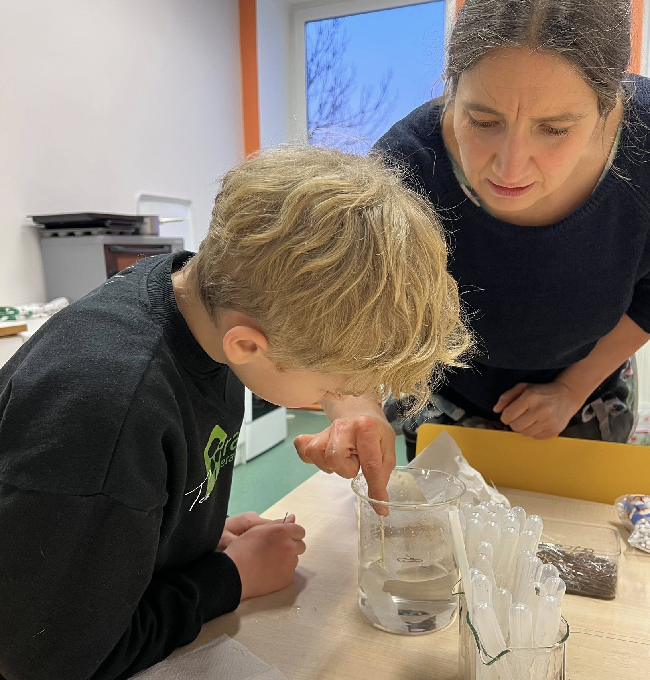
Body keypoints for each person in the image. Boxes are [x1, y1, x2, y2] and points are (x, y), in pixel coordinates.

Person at [0, 146, 469, 680]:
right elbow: (50, 661)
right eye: (334, 385)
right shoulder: (107, 409)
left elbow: (85, 524)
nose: (343, 397)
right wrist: (229, 579)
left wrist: (179, 538)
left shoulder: (206, 302)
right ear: (247, 346)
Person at [294, 0, 650, 469]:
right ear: (452, 88)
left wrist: (571, 389)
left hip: (592, 392)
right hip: (447, 396)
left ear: (609, 107)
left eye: (554, 129)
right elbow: (348, 309)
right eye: (483, 121)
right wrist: (356, 409)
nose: (509, 168)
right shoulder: (405, 167)